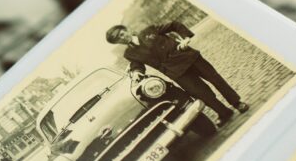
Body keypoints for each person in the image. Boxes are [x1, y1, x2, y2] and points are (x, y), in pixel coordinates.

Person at [106, 21, 248, 127]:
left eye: (121, 33)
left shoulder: (149, 30)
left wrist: (186, 38)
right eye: (118, 39)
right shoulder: (129, 54)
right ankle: (223, 113)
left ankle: (237, 103)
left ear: (126, 29)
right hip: (175, 72)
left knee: (216, 80)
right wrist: (136, 72)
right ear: (117, 42)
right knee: (200, 92)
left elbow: (174, 25)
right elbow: (137, 65)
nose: (122, 37)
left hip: (189, 58)